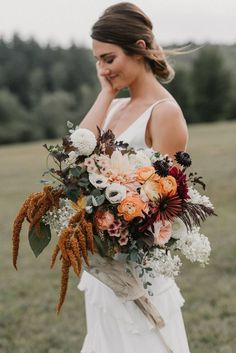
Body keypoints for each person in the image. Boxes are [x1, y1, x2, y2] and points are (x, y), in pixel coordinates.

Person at [78, 2, 191, 353]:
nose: (102, 69)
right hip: (102, 269)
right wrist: (107, 91)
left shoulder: (165, 112)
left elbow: (163, 203)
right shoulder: (113, 107)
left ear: (139, 48)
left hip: (136, 271)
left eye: (108, 59)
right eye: (97, 60)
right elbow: (77, 154)